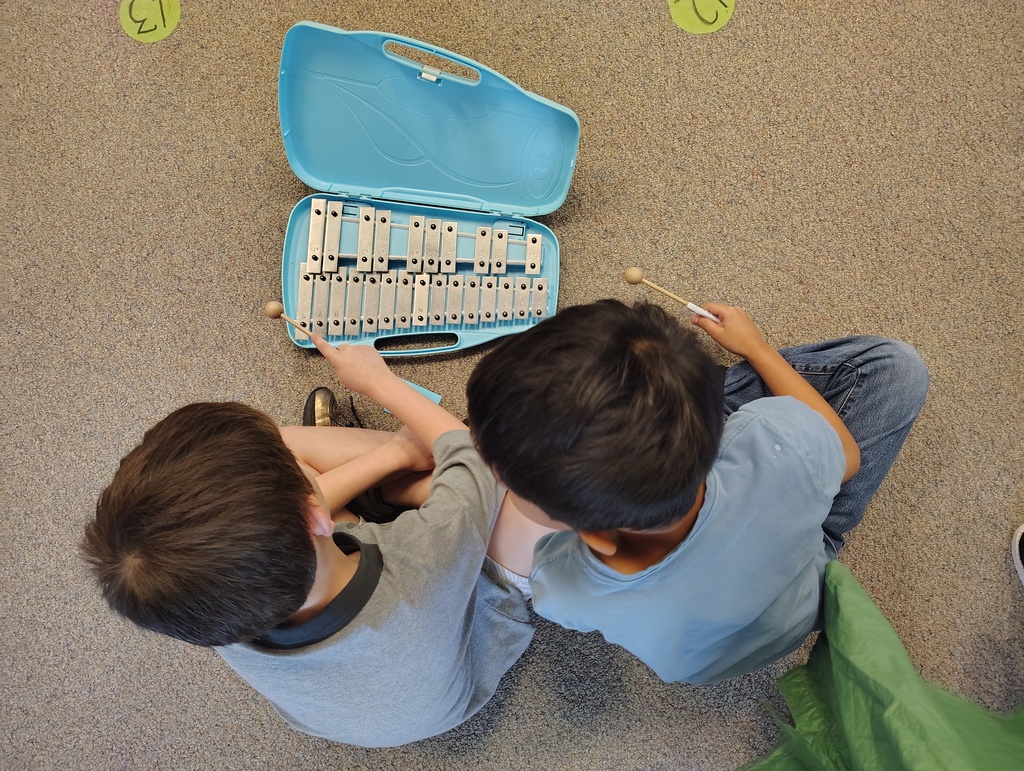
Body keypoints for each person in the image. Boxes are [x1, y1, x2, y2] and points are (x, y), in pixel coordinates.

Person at [81, 335, 539, 748]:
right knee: (513, 490)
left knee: (273, 452)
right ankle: (404, 484)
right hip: (460, 663)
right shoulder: (419, 561)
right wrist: (378, 382)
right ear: (315, 518)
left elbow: (302, 518)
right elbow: (473, 462)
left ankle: (391, 479)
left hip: (351, 673)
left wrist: (390, 459)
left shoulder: (200, 604)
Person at [466, 299, 929, 684]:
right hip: (803, 582)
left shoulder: (566, 588)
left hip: (711, 660)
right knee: (899, 370)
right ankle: (705, 394)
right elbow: (848, 458)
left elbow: (527, 555)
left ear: (595, 535)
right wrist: (758, 348)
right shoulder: (771, 433)